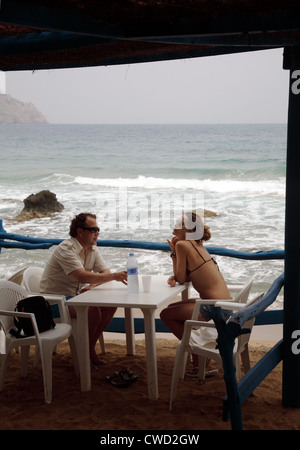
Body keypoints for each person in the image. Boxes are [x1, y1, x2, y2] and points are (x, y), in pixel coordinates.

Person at [40, 212, 127, 368]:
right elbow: (81, 276)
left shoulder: (92, 248)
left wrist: (93, 286)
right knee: (92, 310)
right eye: (93, 229)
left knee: (110, 306)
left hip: (73, 298)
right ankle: (85, 352)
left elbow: (104, 273)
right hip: (53, 303)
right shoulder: (66, 248)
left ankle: (88, 347)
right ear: (80, 232)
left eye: (98, 229)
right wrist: (114, 276)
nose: (98, 233)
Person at [160, 211, 231, 375]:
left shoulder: (183, 245)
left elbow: (180, 278)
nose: (176, 224)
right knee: (172, 308)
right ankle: (200, 356)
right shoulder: (197, 244)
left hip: (214, 308)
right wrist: (175, 257)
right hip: (224, 305)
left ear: (190, 230)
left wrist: (173, 254)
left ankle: (197, 356)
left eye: (180, 223)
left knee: (166, 315)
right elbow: (183, 278)